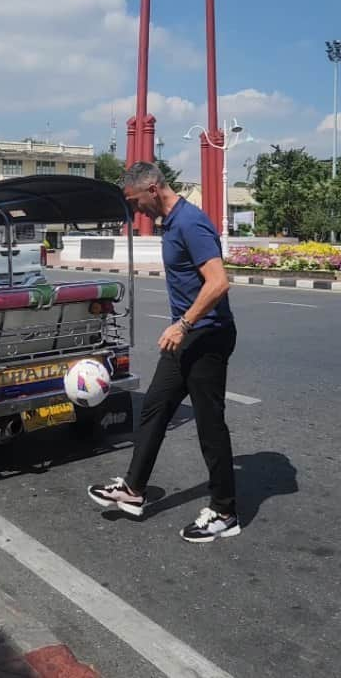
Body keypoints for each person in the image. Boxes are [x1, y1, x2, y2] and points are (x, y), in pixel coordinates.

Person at [88, 162, 240, 543]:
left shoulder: (191, 223)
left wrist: (182, 323)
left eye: (136, 200)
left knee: (209, 424)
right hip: (186, 338)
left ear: (152, 189)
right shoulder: (172, 224)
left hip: (207, 337)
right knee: (154, 407)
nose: (136, 210)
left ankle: (225, 512)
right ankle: (133, 490)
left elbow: (220, 282)